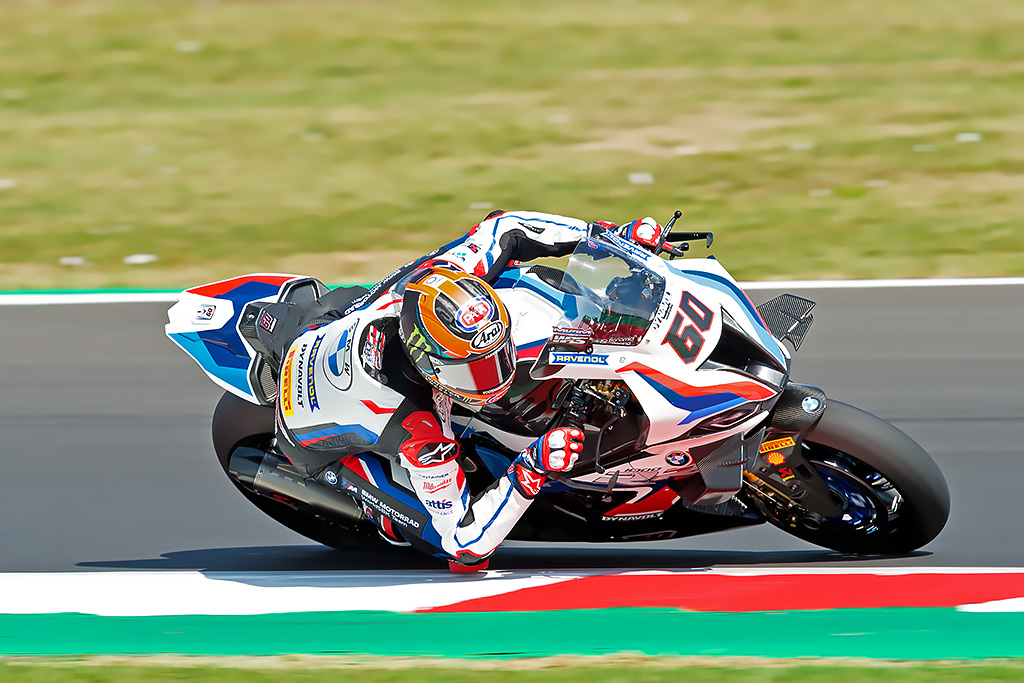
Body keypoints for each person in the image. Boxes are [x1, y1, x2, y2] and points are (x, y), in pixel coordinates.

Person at [273, 211, 666, 571]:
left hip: (328, 322)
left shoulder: (440, 280)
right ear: (429, 365)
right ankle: (382, 517)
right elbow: (466, 543)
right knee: (447, 546)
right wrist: (532, 467)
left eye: (495, 357)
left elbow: (505, 225)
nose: (496, 378)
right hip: (307, 434)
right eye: (474, 372)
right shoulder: (419, 431)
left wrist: (609, 235)